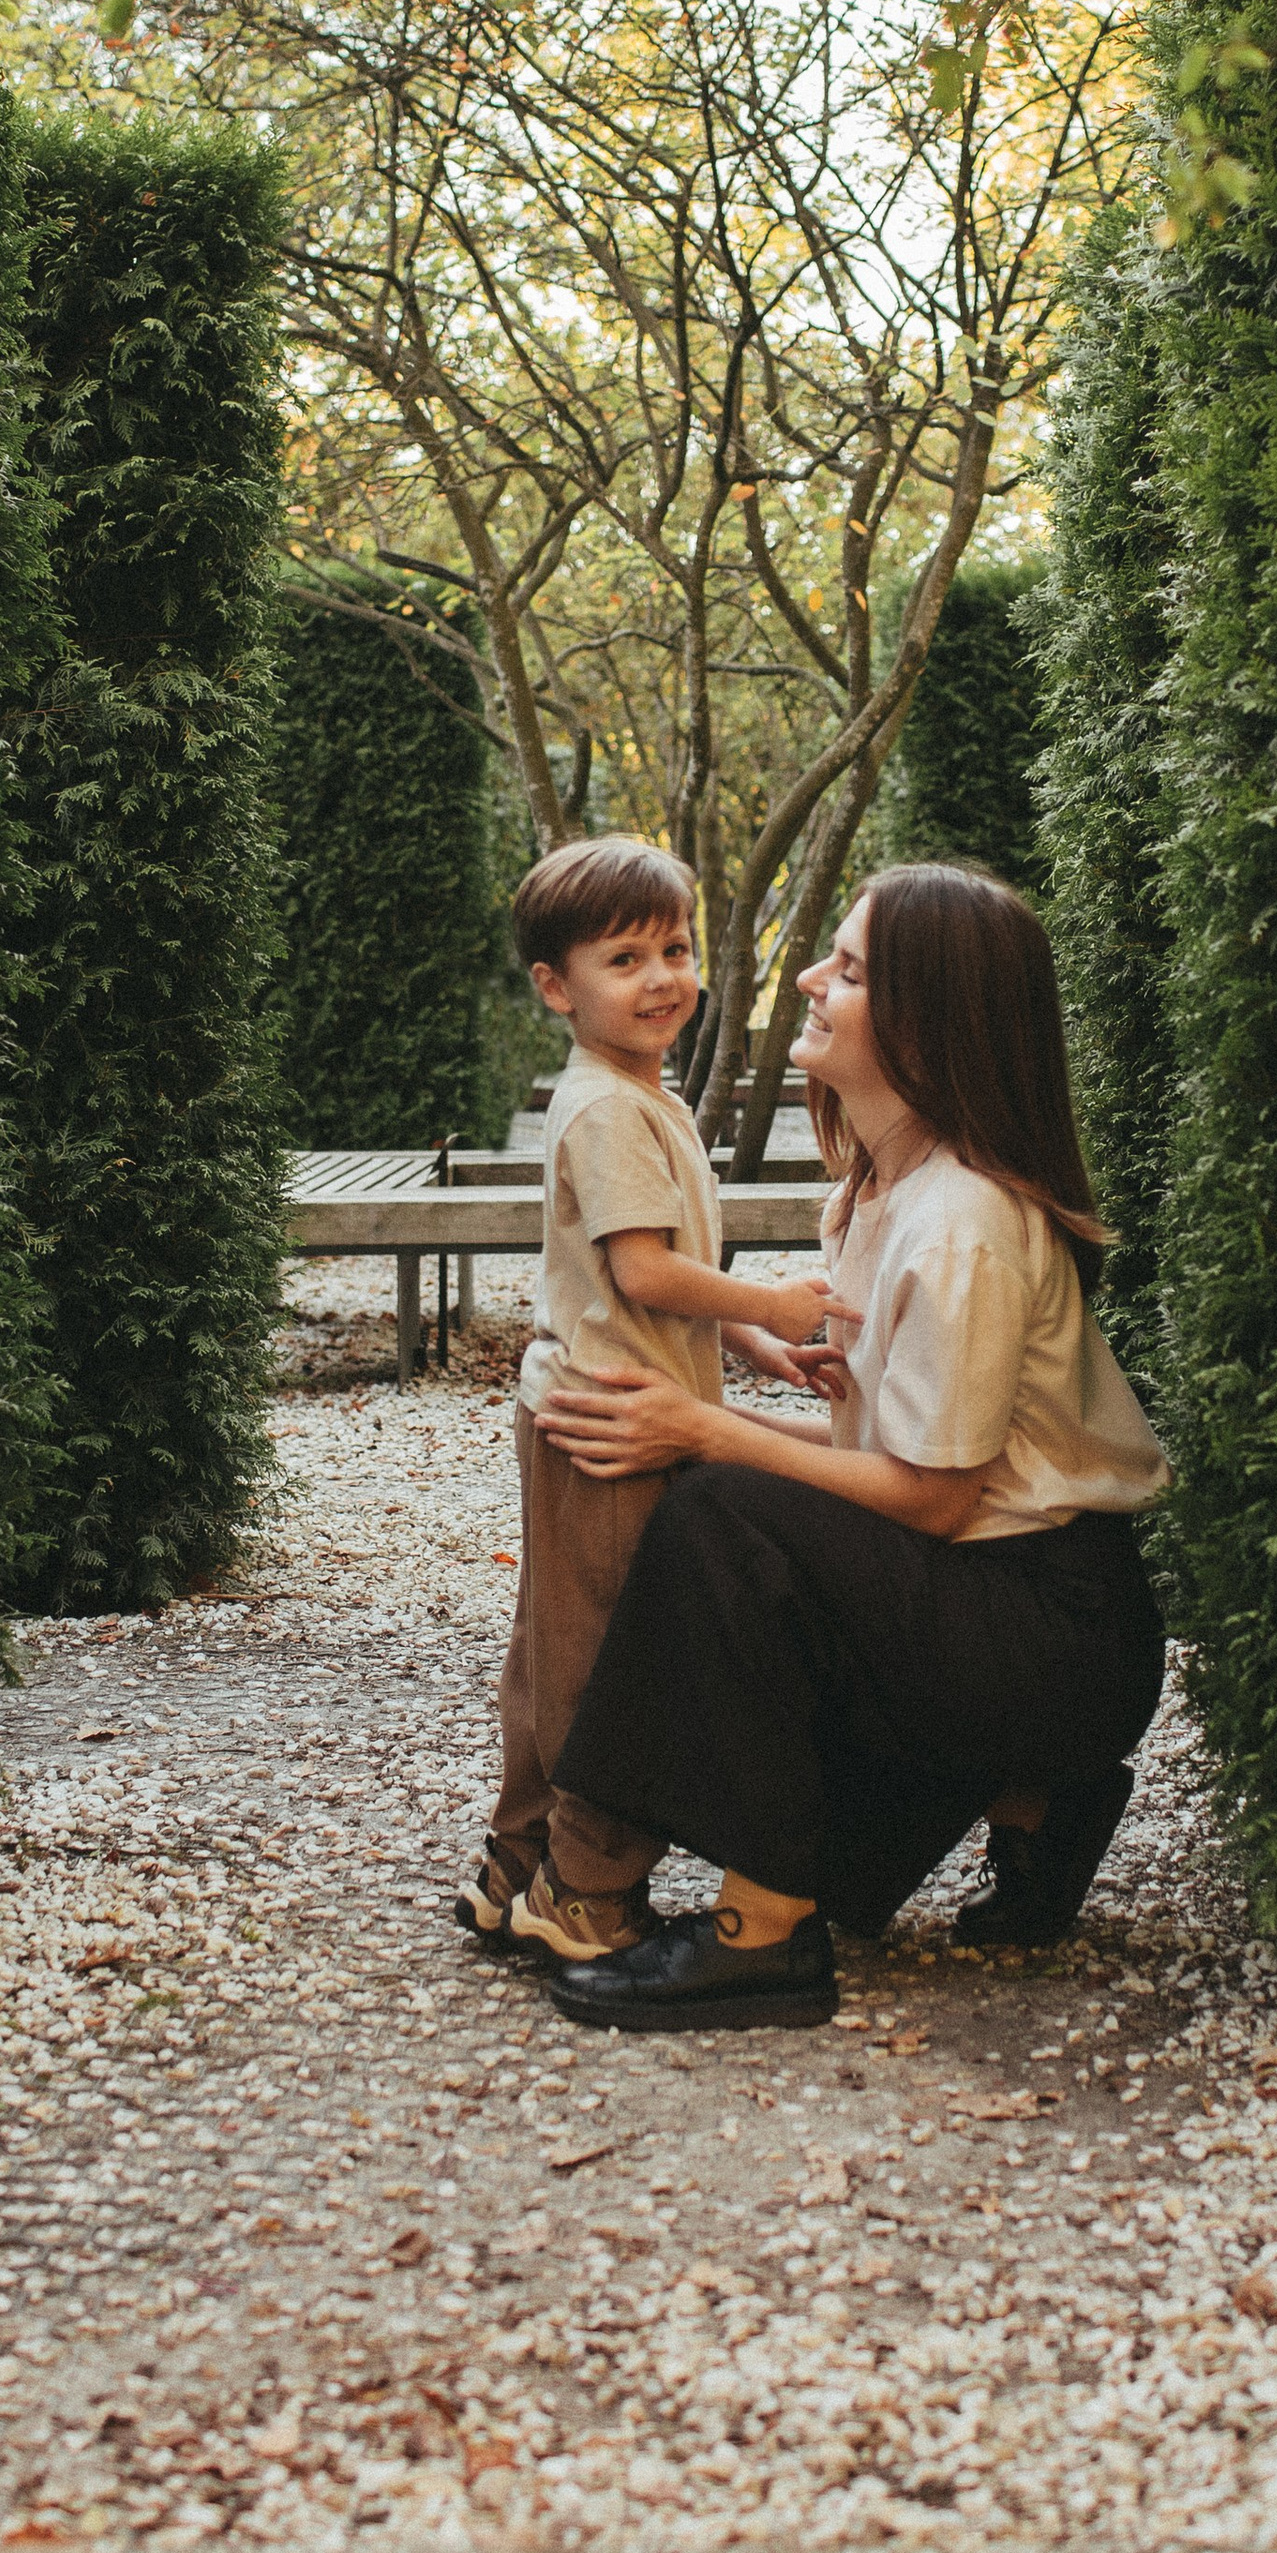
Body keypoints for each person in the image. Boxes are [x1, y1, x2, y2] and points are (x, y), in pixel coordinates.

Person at [531, 861, 1169, 2033]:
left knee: (719, 1516)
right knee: (726, 1499)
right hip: (984, 1591)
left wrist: (703, 1429)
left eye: (853, 969)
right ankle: (1035, 1802)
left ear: (929, 1020)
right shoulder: (878, 1187)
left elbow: (927, 1501)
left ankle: (760, 1938)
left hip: (1051, 1626)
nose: (813, 981)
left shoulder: (966, 1220)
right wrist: (706, 1431)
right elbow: (879, 1487)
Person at [457, 835, 837, 1966]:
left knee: (555, 1641)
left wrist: (750, 1347)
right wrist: (775, 1299)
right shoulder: (613, 1111)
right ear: (553, 986)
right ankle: (586, 1889)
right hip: (607, 1428)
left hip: (599, 1399)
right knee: (612, 1656)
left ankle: (514, 1863)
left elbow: (657, 1276)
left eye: (673, 947)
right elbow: (644, 1274)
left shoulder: (636, 1090)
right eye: (623, 959)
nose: (662, 976)